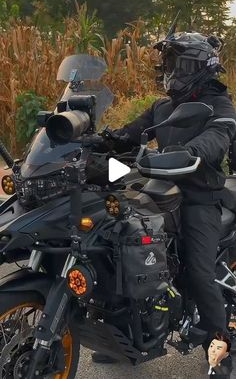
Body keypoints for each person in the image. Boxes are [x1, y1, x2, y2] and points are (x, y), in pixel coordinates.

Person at [92, 31, 236, 370]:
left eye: (178, 63)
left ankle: (221, 349)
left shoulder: (221, 105)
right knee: (116, 246)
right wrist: (99, 141)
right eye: (168, 62)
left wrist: (191, 152)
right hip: (157, 192)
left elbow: (216, 138)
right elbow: (129, 135)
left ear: (200, 66)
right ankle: (121, 336)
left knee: (200, 272)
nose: (171, 69)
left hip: (200, 198)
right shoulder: (162, 107)